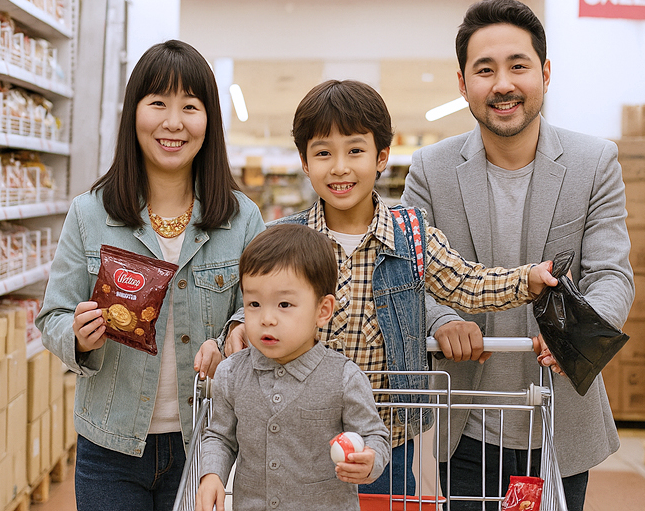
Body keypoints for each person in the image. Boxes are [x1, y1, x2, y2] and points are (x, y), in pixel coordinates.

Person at [224, 78, 559, 495]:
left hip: (385, 442)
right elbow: (254, 306)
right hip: (293, 441)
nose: (340, 167)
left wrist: (525, 280)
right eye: (324, 152)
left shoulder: (412, 235)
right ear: (305, 162)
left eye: (356, 150)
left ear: (381, 157)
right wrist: (236, 327)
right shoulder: (284, 238)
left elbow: (466, 283)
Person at [400, 0, 635, 511]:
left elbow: (612, 273)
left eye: (518, 66)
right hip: (463, 423)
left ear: (545, 73)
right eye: (485, 70)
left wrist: (579, 339)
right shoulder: (430, 171)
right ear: (463, 84)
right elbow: (405, 276)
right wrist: (440, 319)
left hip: (561, 419)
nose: (502, 84)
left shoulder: (594, 162)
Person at [35, 40, 265, 511]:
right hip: (109, 447)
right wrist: (77, 335)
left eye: (190, 106)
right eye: (157, 103)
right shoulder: (89, 214)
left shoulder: (242, 219)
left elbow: (258, 305)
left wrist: (241, 328)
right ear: (133, 113)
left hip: (207, 443)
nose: (173, 122)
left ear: (209, 120)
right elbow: (52, 315)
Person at [196, 224, 391, 511]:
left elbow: (375, 436)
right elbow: (220, 436)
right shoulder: (232, 373)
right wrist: (212, 474)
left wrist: (370, 459)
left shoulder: (343, 377)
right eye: (254, 303)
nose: (267, 318)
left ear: (322, 310)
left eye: (284, 304)